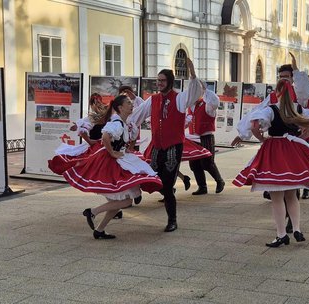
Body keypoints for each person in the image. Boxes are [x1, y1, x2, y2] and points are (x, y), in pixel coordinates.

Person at [233, 79, 309, 247]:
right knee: (292, 195)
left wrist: (262, 139)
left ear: (278, 92)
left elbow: (254, 124)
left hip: (274, 151)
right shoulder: (298, 109)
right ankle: (297, 228)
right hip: (293, 151)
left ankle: (281, 234)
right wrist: (299, 139)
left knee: (277, 198)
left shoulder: (272, 109)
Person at [63, 95, 162, 239]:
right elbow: (105, 137)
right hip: (112, 163)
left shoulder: (125, 122)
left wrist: (128, 148)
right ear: (120, 108)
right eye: (128, 103)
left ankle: (100, 230)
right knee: (126, 200)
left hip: (120, 159)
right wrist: (113, 153)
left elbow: (130, 137)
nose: (131, 104)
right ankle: (92, 212)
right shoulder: (117, 123)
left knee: (118, 202)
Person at [130, 58, 203, 232]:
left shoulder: (179, 98)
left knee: (168, 184)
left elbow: (194, 91)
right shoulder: (153, 100)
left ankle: (172, 220)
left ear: (170, 81)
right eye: (158, 80)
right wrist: (123, 128)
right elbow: (136, 116)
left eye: (162, 80)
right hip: (157, 146)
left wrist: (192, 75)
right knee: (152, 177)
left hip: (173, 147)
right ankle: (136, 194)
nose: (159, 83)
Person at [187, 81, 225, 195]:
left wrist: (205, 90)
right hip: (193, 138)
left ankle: (220, 181)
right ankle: (202, 186)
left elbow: (215, 102)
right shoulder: (190, 105)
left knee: (207, 162)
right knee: (194, 164)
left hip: (206, 137)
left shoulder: (208, 104)